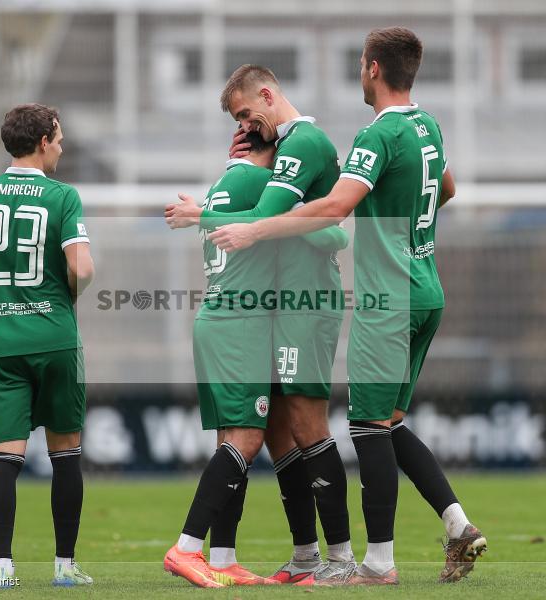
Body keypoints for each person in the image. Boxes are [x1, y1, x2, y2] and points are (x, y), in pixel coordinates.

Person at [208, 27, 487, 585]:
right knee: (391, 422)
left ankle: (377, 565)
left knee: (366, 428)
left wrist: (256, 228)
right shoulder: (426, 125)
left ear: (373, 69)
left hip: (389, 297)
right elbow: (447, 189)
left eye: (361, 65)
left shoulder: (376, 135)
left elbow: (334, 207)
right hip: (428, 288)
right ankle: (457, 524)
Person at [166, 65, 356, 584]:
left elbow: (300, 224)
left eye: (247, 117)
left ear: (268, 97)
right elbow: (304, 224)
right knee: (273, 434)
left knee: (298, 427)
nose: (245, 127)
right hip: (262, 315)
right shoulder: (256, 172)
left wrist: (204, 212)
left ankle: (339, 558)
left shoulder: (299, 147)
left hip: (300, 307)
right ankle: (302, 557)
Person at [0, 103, 95, 588]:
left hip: (0, 341)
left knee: (4, 458)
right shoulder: (63, 197)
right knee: (66, 454)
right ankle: (65, 567)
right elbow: (82, 269)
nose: (61, 145)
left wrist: (3, 293)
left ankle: (2, 570)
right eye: (58, 136)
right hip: (54, 339)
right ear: (42, 141)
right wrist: (55, 296)